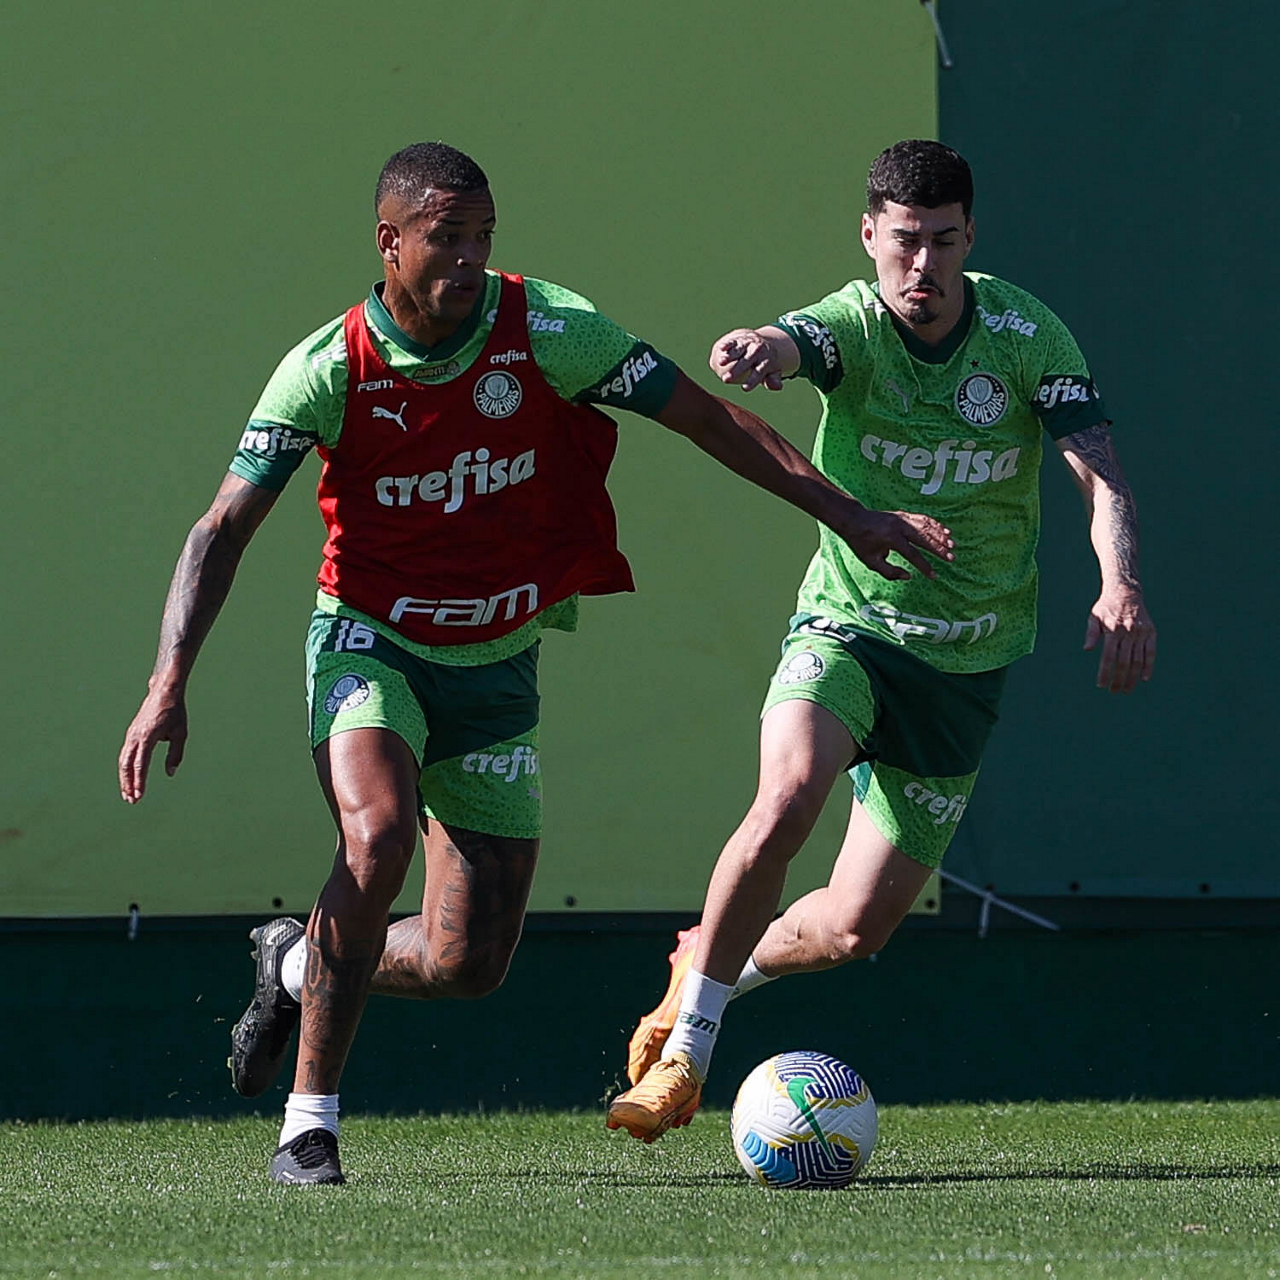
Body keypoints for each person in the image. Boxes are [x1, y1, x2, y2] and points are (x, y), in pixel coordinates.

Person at [117, 142, 952, 1185]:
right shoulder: (331, 367)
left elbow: (705, 417)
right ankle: (307, 1125)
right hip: (371, 643)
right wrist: (167, 682)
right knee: (377, 840)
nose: (470, 258)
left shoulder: (547, 328)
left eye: (483, 236)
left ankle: (294, 960)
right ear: (388, 243)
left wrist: (846, 511)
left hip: (497, 663)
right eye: (445, 237)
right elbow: (220, 529)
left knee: (468, 963)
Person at [606, 139, 1156, 1143]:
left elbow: (1100, 473)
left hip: (966, 665)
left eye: (942, 241)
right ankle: (688, 1050)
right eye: (904, 241)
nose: (922, 265)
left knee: (856, 927)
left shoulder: (1024, 334)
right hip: (850, 627)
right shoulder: (852, 325)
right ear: (868, 236)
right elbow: (793, 344)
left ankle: (709, 962)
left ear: (969, 237)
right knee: (787, 797)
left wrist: (1120, 585)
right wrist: (759, 347)